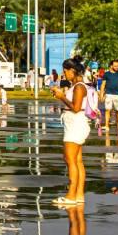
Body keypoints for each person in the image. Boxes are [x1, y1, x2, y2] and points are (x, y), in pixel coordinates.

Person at [51, 58, 89, 206]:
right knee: (77, 161)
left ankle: (71, 195)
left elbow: (76, 107)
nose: (64, 73)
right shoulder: (77, 86)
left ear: (72, 71)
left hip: (75, 125)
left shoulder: (79, 87)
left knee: (70, 160)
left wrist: (62, 97)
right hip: (75, 124)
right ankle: (78, 194)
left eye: (66, 71)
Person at [100, 59, 118, 136]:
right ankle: (107, 126)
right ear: (111, 66)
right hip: (108, 94)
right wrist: (101, 94)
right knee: (107, 110)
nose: (117, 67)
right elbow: (103, 85)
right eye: (115, 66)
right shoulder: (106, 74)